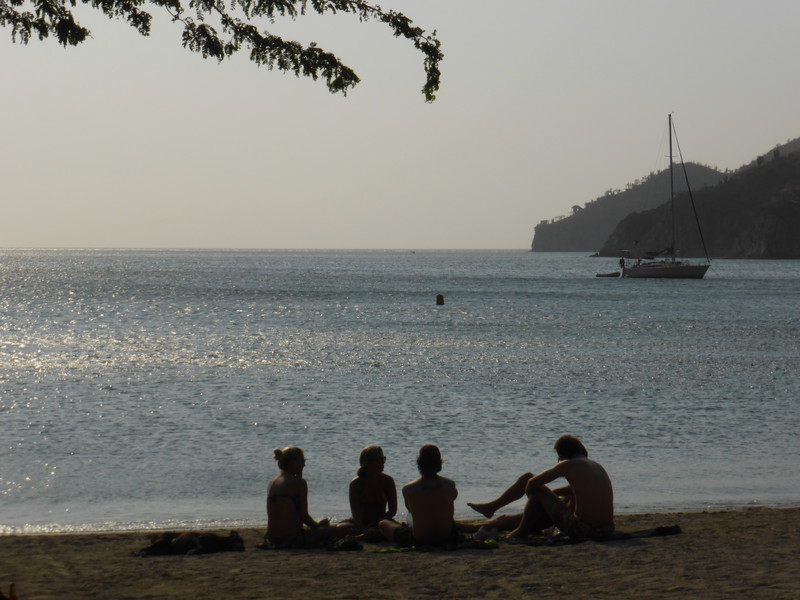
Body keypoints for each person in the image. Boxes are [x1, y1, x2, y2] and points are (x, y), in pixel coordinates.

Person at [467, 435, 614, 540]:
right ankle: (493, 508)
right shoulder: (596, 466)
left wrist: (536, 498)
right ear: (581, 451)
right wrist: (552, 494)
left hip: (584, 530)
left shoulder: (568, 464)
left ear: (561, 455)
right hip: (607, 529)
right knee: (558, 495)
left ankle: (520, 530)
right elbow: (578, 491)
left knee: (527, 478)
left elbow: (532, 483)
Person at [260, 446, 355, 549]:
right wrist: (318, 526)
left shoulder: (272, 482)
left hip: (272, 539)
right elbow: (303, 516)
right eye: (302, 461)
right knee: (341, 529)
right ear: (294, 462)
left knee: (340, 526)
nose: (304, 465)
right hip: (291, 539)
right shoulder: (299, 483)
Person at [379, 444, 463, 547]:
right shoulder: (450, 485)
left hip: (420, 539)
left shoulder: (408, 489)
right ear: (439, 463)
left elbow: (410, 510)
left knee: (383, 524)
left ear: (419, 463)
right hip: (446, 537)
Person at [342, 446, 398, 541]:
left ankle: (367, 535)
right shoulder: (356, 484)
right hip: (360, 523)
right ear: (368, 463)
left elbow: (392, 511)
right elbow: (356, 513)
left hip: (381, 521)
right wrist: (363, 529)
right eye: (379, 460)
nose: (383, 463)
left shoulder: (387, 481)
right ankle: (366, 535)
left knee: (393, 529)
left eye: (383, 459)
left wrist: (377, 522)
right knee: (341, 529)